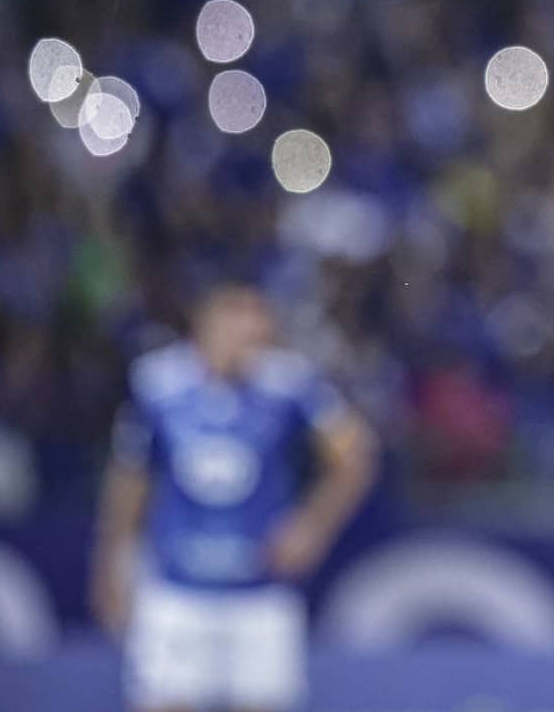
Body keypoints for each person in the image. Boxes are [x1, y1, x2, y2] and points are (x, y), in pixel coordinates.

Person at [90, 282, 376, 712]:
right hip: (178, 588)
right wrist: (113, 559)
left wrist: (312, 527)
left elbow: (355, 456)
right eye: (236, 312)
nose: (251, 327)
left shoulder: (289, 384)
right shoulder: (158, 383)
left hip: (259, 592)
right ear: (204, 319)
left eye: (257, 313)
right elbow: (131, 477)